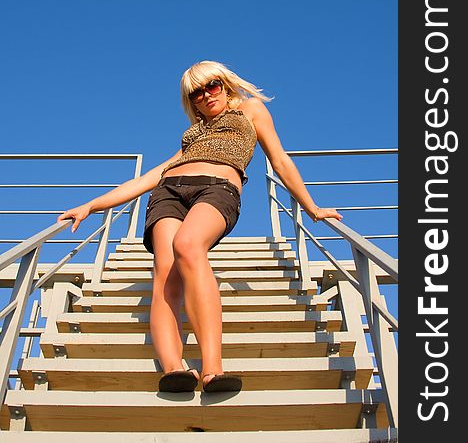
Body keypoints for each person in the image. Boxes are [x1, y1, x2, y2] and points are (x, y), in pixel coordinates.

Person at [57, 60, 342, 394]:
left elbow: (279, 159)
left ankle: (212, 370)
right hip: (168, 192)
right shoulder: (193, 135)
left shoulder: (251, 110)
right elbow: (152, 176)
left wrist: (311, 207)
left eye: (212, 86)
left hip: (218, 188)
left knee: (188, 246)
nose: (206, 96)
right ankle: (174, 369)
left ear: (225, 84)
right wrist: (91, 205)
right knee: (164, 269)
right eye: (196, 93)